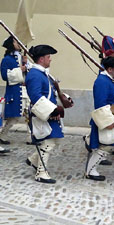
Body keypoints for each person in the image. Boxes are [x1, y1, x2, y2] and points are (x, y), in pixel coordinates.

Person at [25, 44, 71, 183]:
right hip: (43, 114)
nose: (50, 59)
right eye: (48, 57)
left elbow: (50, 94)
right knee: (48, 143)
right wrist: (53, 110)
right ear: (41, 59)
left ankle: (33, 160)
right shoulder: (35, 75)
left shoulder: (42, 73)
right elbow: (36, 97)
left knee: (55, 139)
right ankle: (41, 173)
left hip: (49, 113)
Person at [0, 36, 31, 145]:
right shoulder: (6, 59)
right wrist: (20, 70)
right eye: (15, 41)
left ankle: (30, 137)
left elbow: (31, 72)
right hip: (14, 90)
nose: (19, 42)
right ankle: (2, 135)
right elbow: (5, 76)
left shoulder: (23, 58)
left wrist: (26, 64)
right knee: (14, 118)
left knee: (29, 114)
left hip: (25, 90)